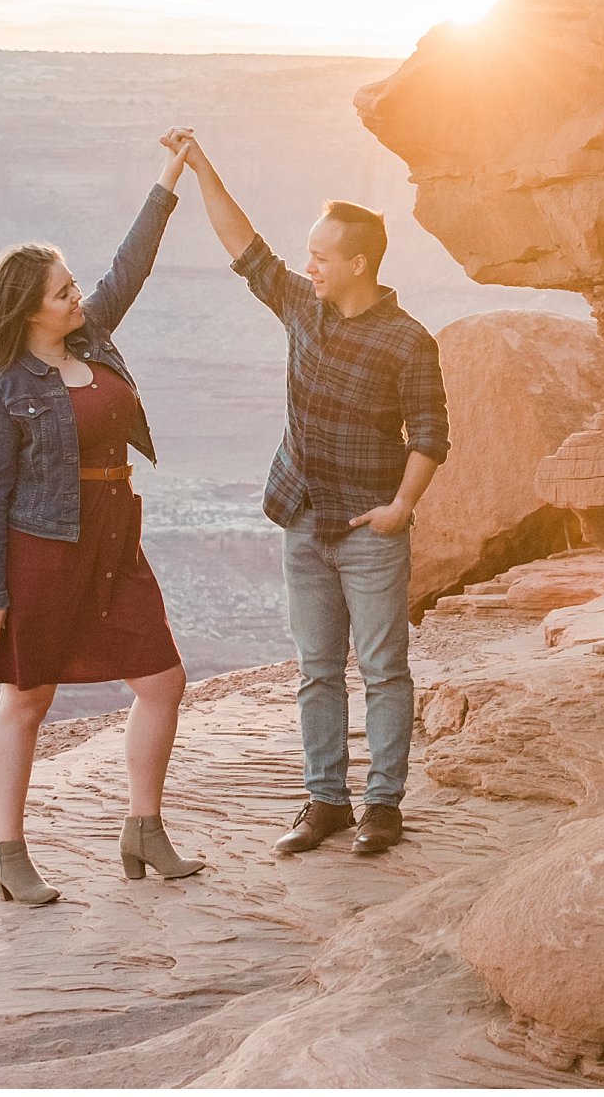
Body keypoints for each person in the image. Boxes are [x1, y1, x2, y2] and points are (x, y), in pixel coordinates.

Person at [167, 127, 448, 856]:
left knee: (384, 670)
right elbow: (244, 245)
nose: (308, 265)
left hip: (369, 530)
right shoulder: (301, 305)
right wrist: (201, 163)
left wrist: (400, 511)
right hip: (302, 520)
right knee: (316, 671)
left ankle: (381, 807)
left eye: (321, 257)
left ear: (357, 264)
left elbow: (429, 435)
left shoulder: (408, 341)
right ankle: (326, 801)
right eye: (309, 255)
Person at [0, 134, 204, 904]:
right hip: (43, 552)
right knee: (27, 701)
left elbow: (129, 265)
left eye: (73, 289)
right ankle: (8, 850)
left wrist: (170, 176)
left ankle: (143, 828)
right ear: (29, 308)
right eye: (63, 293)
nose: (77, 299)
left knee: (163, 680)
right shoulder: (1, 389)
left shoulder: (92, 338)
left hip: (111, 542)